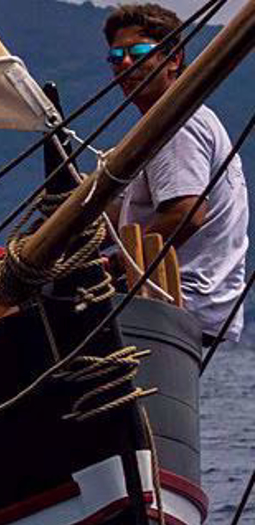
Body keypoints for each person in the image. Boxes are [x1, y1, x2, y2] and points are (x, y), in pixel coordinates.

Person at [106, 3, 248, 345]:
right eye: (116, 56)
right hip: (197, 306)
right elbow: (118, 216)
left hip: (175, 300)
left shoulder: (175, 122)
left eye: (139, 51)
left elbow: (186, 212)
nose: (127, 63)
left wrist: (115, 267)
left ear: (174, 59)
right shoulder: (183, 119)